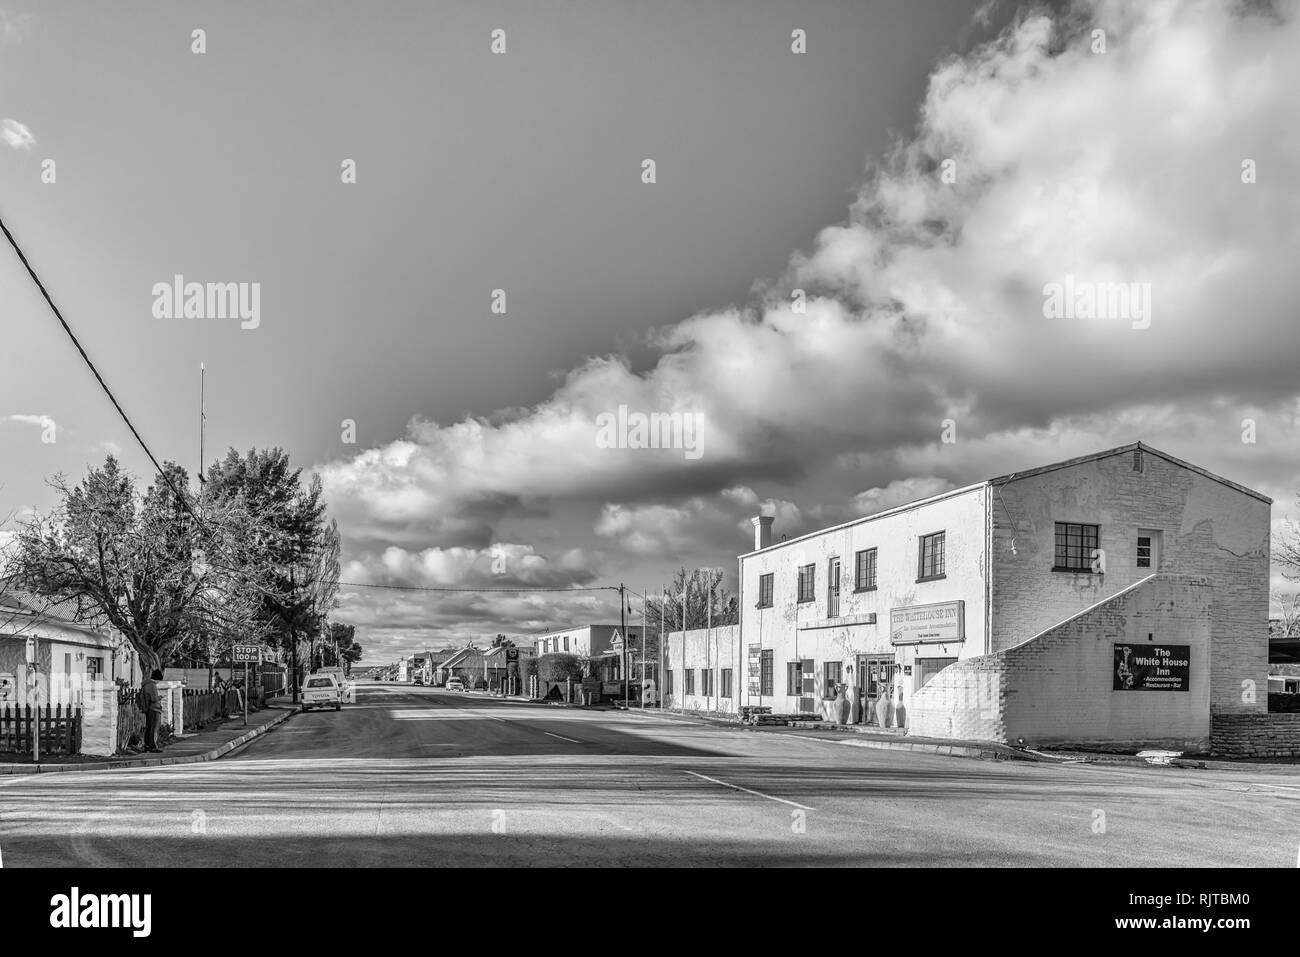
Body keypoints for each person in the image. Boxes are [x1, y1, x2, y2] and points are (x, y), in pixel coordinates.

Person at [142, 669, 164, 752]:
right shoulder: (152, 685)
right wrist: (160, 697)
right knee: (154, 728)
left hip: (148, 708)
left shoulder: (145, 685)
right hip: (154, 709)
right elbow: (154, 698)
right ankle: (153, 746)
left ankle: (147, 745)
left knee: (149, 728)